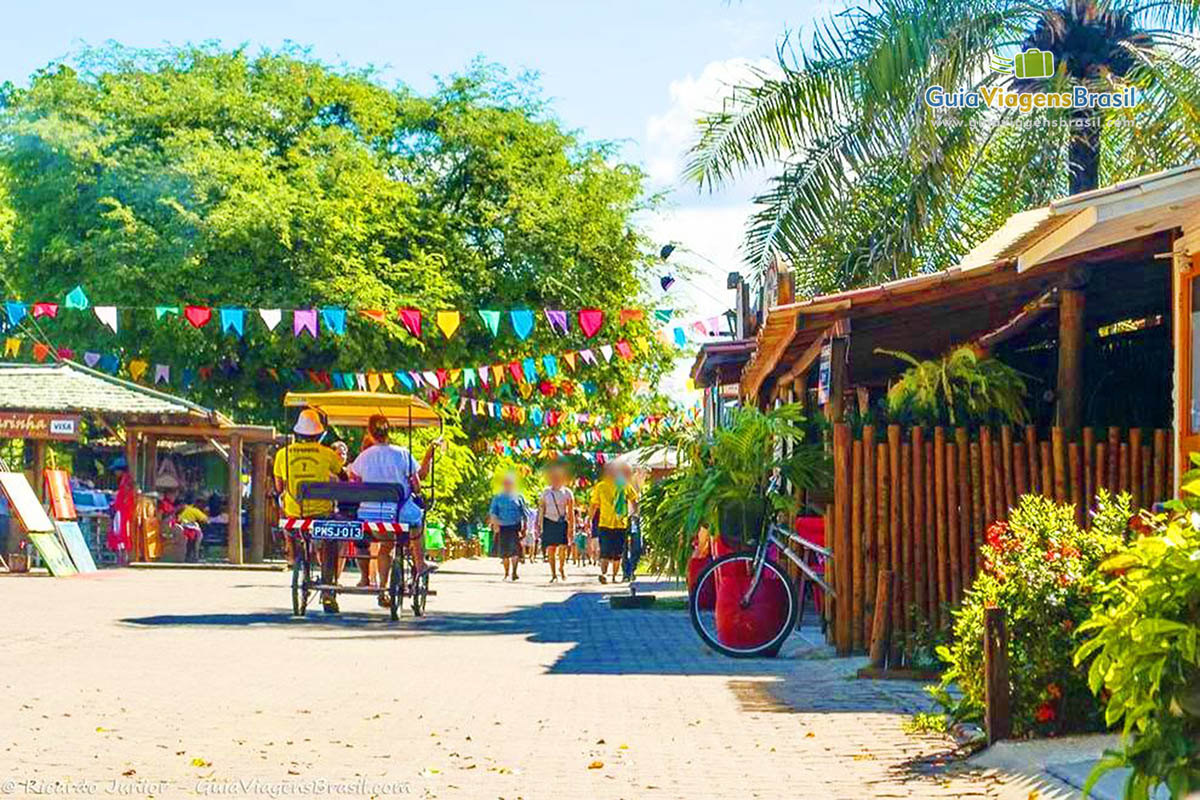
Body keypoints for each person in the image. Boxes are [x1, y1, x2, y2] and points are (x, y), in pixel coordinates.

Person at [347, 414, 440, 608]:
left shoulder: (364, 456)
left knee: (386, 545)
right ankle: (420, 562)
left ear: (370, 433)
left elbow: (353, 480)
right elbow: (418, 481)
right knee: (417, 519)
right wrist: (428, 457)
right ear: (389, 432)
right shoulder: (402, 454)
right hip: (395, 515)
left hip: (369, 517)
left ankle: (383, 588)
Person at [273, 408, 346, 612]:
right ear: (319, 434)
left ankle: (298, 559)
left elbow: (279, 487)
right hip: (322, 513)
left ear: (297, 433)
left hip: (295, 513)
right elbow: (343, 476)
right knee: (331, 542)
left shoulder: (282, 454)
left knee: (295, 533)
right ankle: (328, 589)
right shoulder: (327, 454)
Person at [589, 462, 638, 584]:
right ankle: (604, 574)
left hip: (619, 523)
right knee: (607, 551)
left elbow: (634, 499)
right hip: (607, 523)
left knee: (617, 553)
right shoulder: (602, 486)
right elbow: (595, 505)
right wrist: (589, 519)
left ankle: (613, 576)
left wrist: (633, 514)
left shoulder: (623, 485)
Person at [537, 464, 574, 582]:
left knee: (563, 548)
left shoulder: (567, 492)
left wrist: (571, 528)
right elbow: (542, 508)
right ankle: (553, 574)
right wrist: (540, 524)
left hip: (561, 522)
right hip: (549, 522)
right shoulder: (546, 492)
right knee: (551, 549)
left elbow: (571, 511)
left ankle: (562, 568)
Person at [488, 472, 528, 581]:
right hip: (503, 527)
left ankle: (514, 572)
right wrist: (495, 525)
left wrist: (525, 526)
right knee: (504, 553)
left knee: (515, 551)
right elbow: (493, 512)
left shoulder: (518, 497)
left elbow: (524, 512)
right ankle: (506, 573)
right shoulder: (498, 497)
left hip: (515, 526)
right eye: (506, 483)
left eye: (510, 483)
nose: (508, 485)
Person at [175, 494, 210, 563]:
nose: (204, 505)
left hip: (181, 529)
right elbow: (206, 520)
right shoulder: (195, 511)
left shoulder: (187, 508)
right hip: (190, 530)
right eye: (203, 504)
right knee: (195, 541)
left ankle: (189, 557)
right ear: (199, 503)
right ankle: (194, 557)